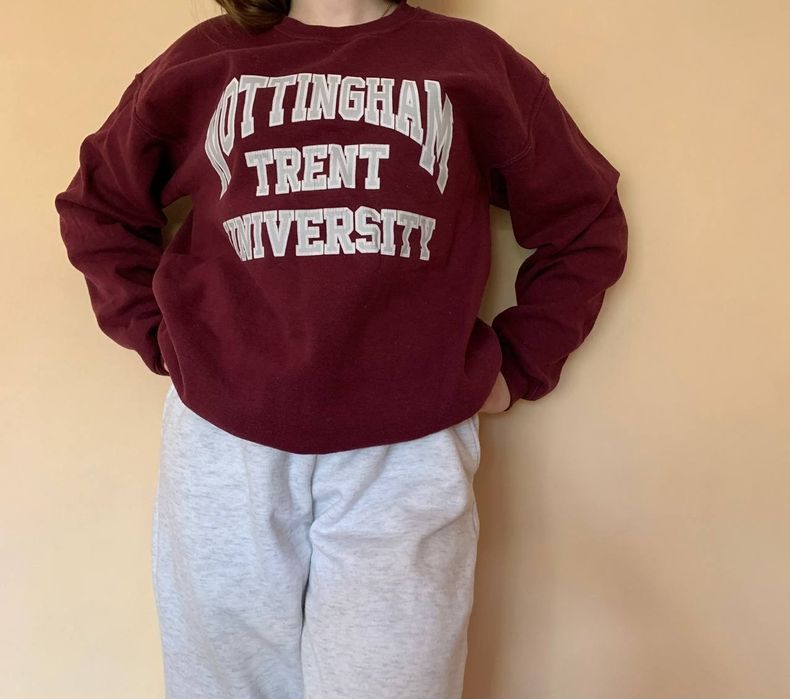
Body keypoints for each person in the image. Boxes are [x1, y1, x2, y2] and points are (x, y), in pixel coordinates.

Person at [53, 0, 629, 697]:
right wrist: (162, 337)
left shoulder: (472, 63)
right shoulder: (205, 59)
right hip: (224, 445)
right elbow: (98, 208)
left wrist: (521, 363)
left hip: (408, 450)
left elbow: (585, 221)